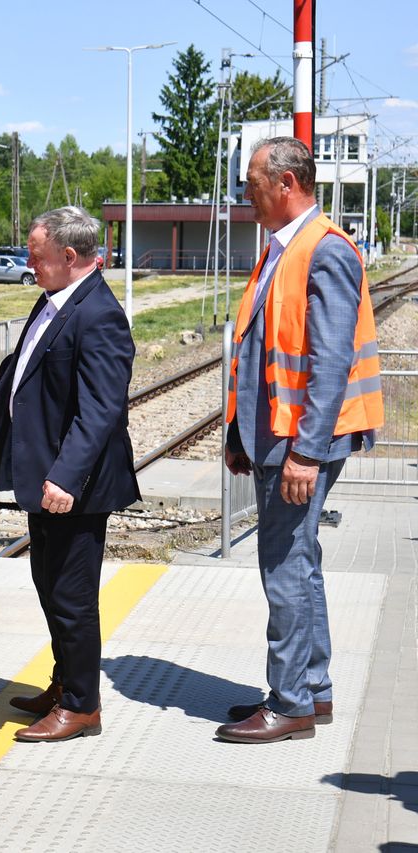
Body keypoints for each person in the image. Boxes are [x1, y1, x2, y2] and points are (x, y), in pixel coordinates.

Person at [0, 206, 139, 743]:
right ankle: (63, 682)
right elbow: (16, 368)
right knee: (49, 586)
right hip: (47, 479)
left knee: (73, 596)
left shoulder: (99, 313)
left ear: (69, 257)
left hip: (73, 486)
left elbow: (102, 408)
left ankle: (83, 707)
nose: (28, 262)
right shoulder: (55, 302)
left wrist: (67, 477)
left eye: (35, 254)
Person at [215, 137, 383, 744]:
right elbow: (259, 353)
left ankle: (289, 705)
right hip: (275, 439)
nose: (246, 195)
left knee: (284, 568)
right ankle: (313, 690)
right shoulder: (281, 251)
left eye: (253, 183)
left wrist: (306, 453)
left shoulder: (323, 251)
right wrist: (239, 434)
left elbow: (331, 360)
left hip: (300, 445)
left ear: (286, 184)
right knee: (301, 566)